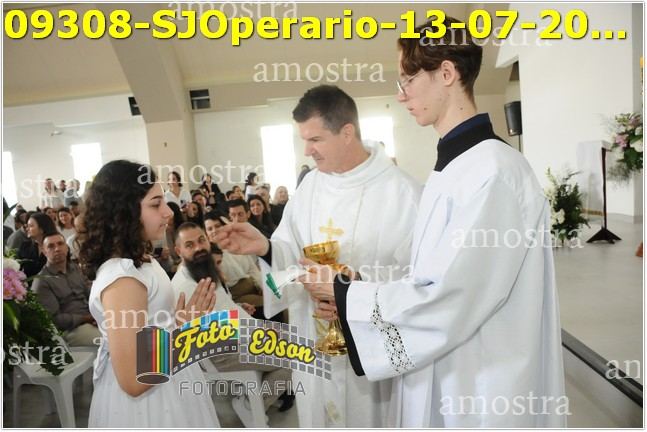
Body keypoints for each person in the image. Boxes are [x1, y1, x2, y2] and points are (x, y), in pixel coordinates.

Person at [300, 18, 566, 428]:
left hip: (481, 383)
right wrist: (356, 285)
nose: (401, 95)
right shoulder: (456, 167)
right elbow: (435, 275)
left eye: (408, 80)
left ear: (446, 73)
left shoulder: (492, 172)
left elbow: (452, 297)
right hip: (453, 367)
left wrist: (347, 294)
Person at [215, 85, 421, 428]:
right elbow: (289, 252)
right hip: (314, 337)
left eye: (315, 139)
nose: (307, 150)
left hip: (368, 347)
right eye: (304, 140)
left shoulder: (404, 194)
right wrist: (265, 248)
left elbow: (419, 281)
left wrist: (351, 291)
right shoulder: (311, 185)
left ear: (347, 133)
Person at [78, 159, 219, 427]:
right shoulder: (123, 279)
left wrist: (179, 322)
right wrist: (188, 333)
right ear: (124, 212)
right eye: (155, 204)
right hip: (150, 402)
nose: (167, 213)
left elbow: (151, 327)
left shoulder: (139, 260)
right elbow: (134, 378)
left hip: (167, 379)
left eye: (164, 201)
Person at [171, 223, 294, 413]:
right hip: (221, 353)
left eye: (201, 240)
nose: (198, 248)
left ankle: (258, 397)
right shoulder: (185, 286)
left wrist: (238, 306)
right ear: (178, 251)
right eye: (189, 245)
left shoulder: (201, 269)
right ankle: (251, 407)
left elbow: (220, 308)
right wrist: (261, 333)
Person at [32, 232, 100, 346]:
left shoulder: (75, 268)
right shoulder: (42, 281)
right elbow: (53, 320)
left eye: (60, 244)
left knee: (124, 329)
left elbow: (91, 294)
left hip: (92, 319)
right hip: (70, 330)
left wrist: (98, 314)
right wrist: (86, 318)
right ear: (44, 251)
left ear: (66, 247)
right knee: (109, 340)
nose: (57, 249)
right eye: (51, 246)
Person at [18, 212, 58, 278]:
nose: (27, 229)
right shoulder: (25, 246)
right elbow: (19, 270)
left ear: (41, 229)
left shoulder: (57, 247)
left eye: (31, 226)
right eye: (27, 226)